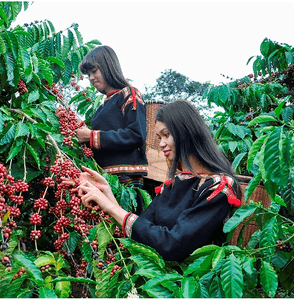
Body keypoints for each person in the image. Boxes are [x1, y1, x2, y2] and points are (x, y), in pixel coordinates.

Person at [76, 99, 242, 261]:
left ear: (186, 132)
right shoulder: (174, 184)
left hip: (193, 284)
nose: (161, 143)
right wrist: (106, 193)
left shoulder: (218, 187)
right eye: (159, 136)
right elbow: (144, 231)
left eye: (166, 135)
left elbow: (173, 244)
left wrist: (110, 207)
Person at [76, 45, 148, 213]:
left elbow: (136, 135)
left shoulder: (129, 94)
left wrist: (91, 136)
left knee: (126, 230)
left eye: (94, 71)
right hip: (104, 180)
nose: (92, 78)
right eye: (88, 75)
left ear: (108, 67)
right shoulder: (102, 107)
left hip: (126, 182)